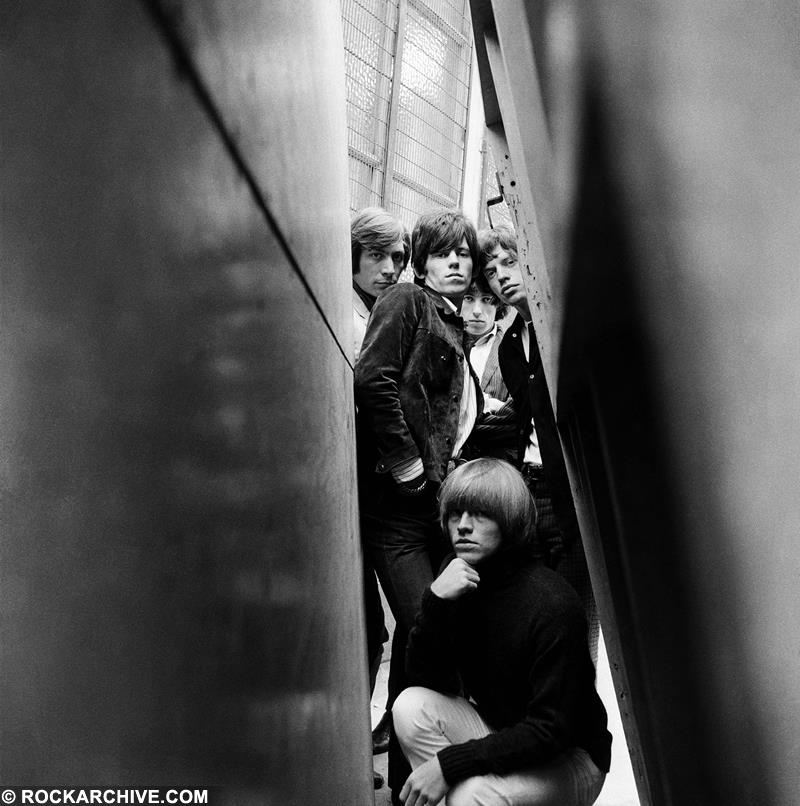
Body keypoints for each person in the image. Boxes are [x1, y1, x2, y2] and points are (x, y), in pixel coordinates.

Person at [393, 459, 611, 806]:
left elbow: (551, 729)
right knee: (410, 706)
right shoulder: (457, 577)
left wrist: (450, 765)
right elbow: (424, 677)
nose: (463, 526)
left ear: (509, 522)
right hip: (503, 730)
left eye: (480, 514)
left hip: (570, 757)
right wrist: (435, 601)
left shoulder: (551, 603)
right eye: (455, 514)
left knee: (468, 795)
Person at [354, 208, 482, 801]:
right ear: (424, 263)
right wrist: (407, 464)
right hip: (397, 505)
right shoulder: (407, 301)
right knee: (427, 626)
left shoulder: (453, 327)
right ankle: (433, 772)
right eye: (443, 253)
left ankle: (409, 786)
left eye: (464, 255)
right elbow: (373, 378)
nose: (456, 262)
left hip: (429, 504)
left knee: (415, 640)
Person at [479, 225, 599, 660]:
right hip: (527, 491)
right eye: (491, 272)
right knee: (533, 614)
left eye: (510, 263)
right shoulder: (511, 342)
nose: (502, 277)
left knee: (575, 616)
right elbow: (524, 418)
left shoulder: (566, 326)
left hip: (572, 491)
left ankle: (581, 724)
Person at [350, 207, 411, 779]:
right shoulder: (351, 318)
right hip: (352, 498)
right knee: (366, 624)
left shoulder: (378, 314)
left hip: (366, 498)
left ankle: (356, 748)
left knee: (372, 627)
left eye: (398, 259)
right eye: (378, 257)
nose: (391, 269)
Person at [460, 276, 518, 464]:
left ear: (499, 304)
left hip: (501, 464)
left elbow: (516, 418)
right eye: (468, 298)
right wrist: (491, 405)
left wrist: (467, 410)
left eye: (487, 299)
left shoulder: (513, 346)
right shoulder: (444, 344)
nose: (477, 311)